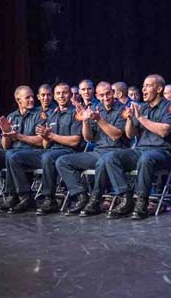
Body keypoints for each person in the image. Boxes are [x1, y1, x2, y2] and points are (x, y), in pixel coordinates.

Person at [102, 74, 171, 220]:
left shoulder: (170, 107)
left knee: (146, 158)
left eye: (148, 86)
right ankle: (126, 198)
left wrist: (141, 118)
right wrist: (130, 119)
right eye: (143, 86)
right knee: (110, 157)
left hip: (162, 152)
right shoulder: (141, 107)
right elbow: (131, 135)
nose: (143, 89)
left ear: (159, 89)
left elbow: (163, 131)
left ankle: (142, 202)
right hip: (141, 149)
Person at [55, 81, 129, 216]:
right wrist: (84, 120)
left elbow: (116, 135)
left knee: (104, 161)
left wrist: (99, 119)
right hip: (98, 151)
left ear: (113, 93)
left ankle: (95, 200)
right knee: (63, 161)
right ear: (97, 96)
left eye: (108, 94)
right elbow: (88, 138)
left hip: (117, 152)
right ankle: (81, 197)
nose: (106, 98)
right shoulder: (96, 109)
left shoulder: (122, 109)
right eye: (102, 95)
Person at [8, 83, 82, 214]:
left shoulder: (75, 113)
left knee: (48, 157)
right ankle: (25, 196)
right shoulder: (51, 115)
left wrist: (51, 135)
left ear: (70, 94)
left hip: (68, 152)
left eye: (64, 93)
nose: (61, 96)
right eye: (58, 93)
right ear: (55, 96)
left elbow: (75, 141)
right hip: (49, 151)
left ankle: (49, 198)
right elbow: (45, 145)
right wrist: (46, 138)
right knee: (15, 157)